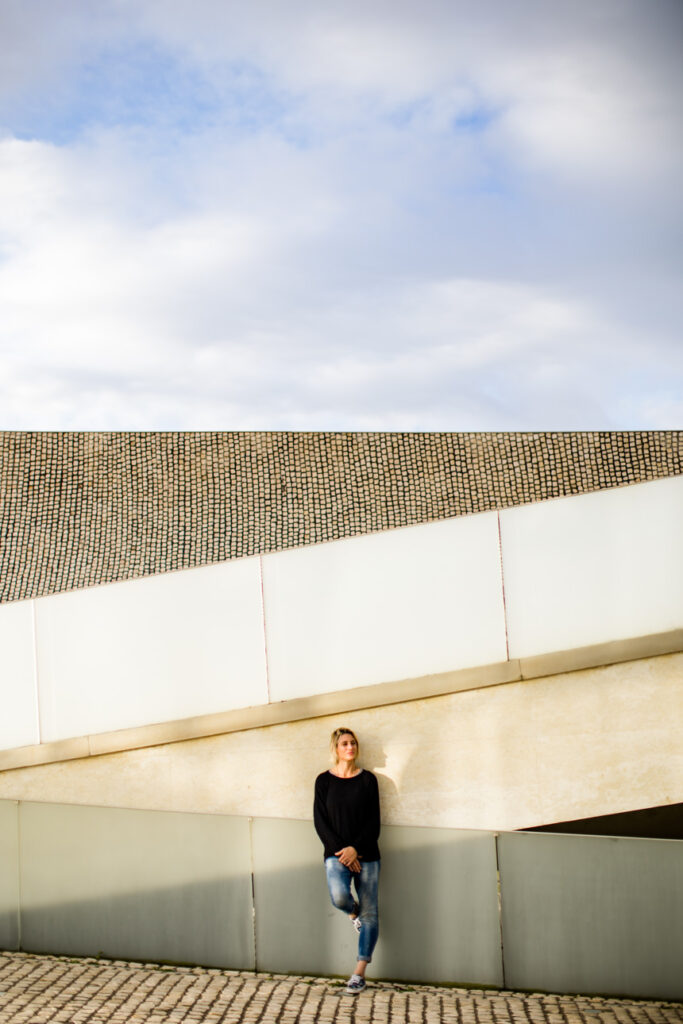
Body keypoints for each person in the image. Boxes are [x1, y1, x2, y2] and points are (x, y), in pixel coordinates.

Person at [313, 726, 381, 996]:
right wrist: (344, 851)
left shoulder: (368, 781)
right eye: (344, 744)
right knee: (340, 897)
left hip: (367, 855)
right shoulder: (323, 781)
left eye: (353, 743)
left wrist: (356, 848)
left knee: (371, 912)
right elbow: (321, 821)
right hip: (336, 855)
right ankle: (353, 915)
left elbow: (373, 823)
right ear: (336, 749)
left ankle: (359, 973)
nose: (350, 747)